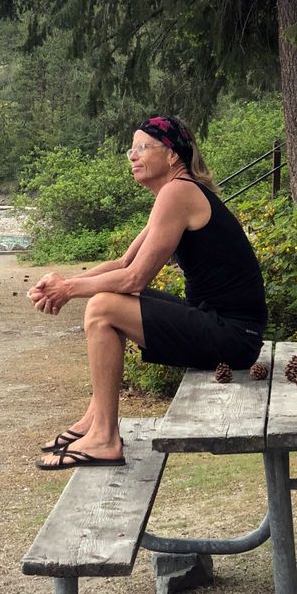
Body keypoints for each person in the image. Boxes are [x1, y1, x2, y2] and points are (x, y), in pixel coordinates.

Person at [29, 115, 267, 470]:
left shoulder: (179, 191)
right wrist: (66, 280)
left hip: (232, 335)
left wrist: (70, 290)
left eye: (143, 147)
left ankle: (105, 439)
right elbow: (124, 261)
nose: (132, 156)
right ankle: (94, 422)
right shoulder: (175, 192)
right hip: (224, 327)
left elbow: (134, 279)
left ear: (172, 155)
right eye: (131, 148)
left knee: (103, 308)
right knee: (105, 303)